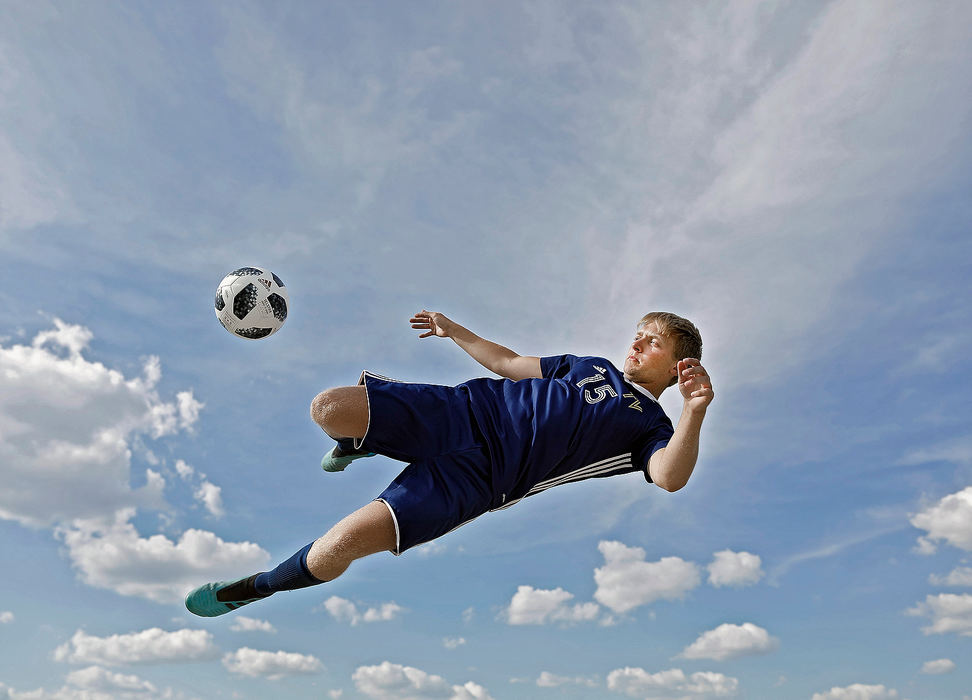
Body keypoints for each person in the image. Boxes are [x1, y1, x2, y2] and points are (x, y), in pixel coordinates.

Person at [185, 309, 713, 617]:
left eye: (654, 341)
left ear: (679, 365)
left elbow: (669, 477)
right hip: (463, 411)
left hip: (481, 480)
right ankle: (358, 442)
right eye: (638, 334)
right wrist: (453, 329)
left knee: (338, 546)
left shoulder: (652, 426)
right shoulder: (588, 366)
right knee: (329, 407)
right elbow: (509, 364)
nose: (638, 343)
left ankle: (255, 588)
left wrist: (694, 409)